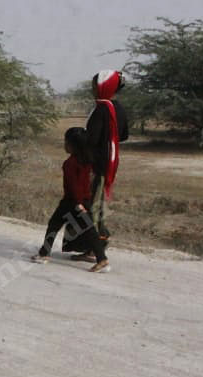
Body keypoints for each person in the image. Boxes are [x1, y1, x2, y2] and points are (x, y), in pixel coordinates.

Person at [31, 127, 109, 272]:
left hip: (72, 202)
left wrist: (78, 204)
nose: (64, 145)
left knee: (54, 224)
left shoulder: (70, 164)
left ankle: (44, 254)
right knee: (89, 230)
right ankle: (101, 258)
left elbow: (74, 186)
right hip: (82, 200)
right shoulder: (86, 161)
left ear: (73, 145)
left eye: (66, 142)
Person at [82, 69, 129, 262]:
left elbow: (91, 139)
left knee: (92, 206)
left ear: (104, 87)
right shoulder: (118, 108)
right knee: (97, 205)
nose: (92, 89)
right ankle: (93, 245)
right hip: (110, 163)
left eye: (95, 86)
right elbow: (124, 135)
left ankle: (97, 248)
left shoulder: (102, 109)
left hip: (97, 165)